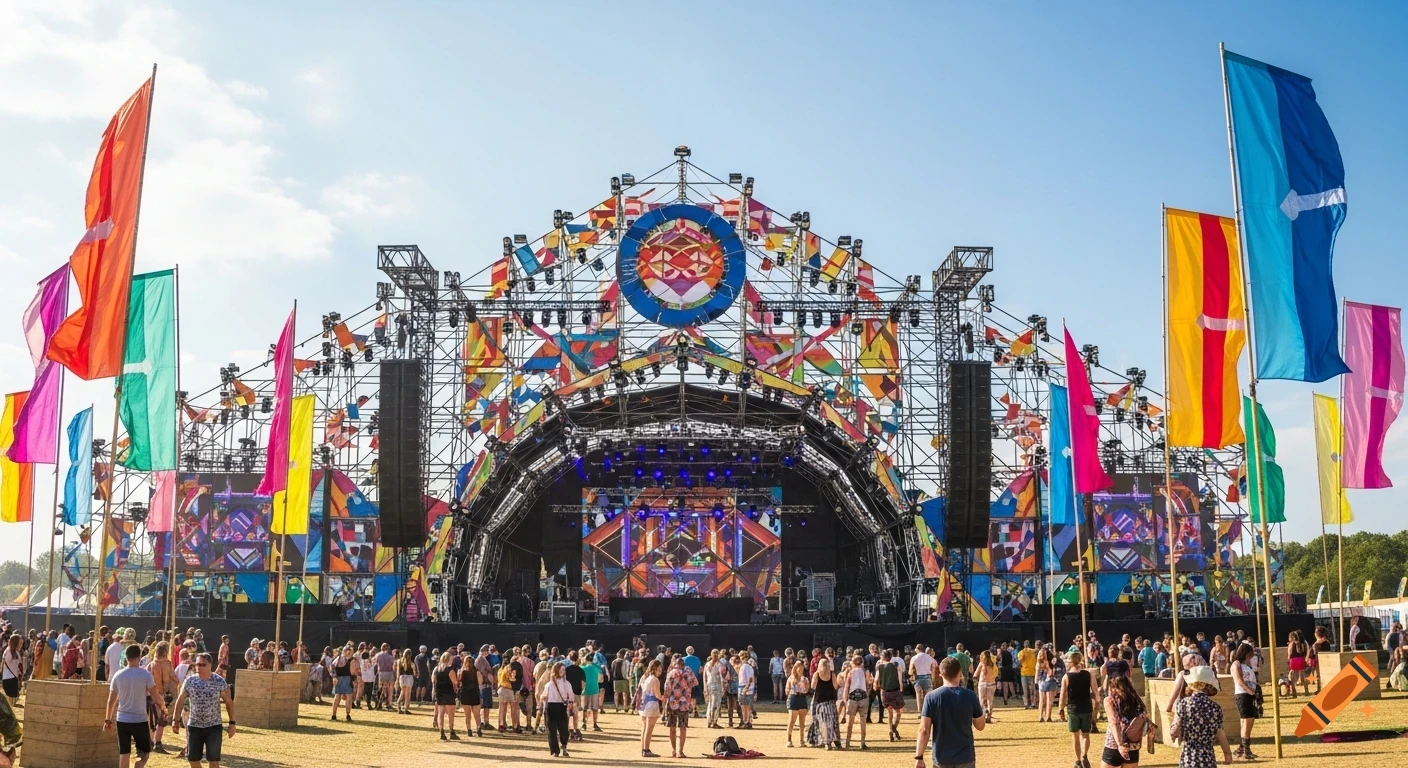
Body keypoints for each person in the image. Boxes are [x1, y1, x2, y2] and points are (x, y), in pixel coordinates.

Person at [914, 657, 985, 768]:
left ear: (940, 674)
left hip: (942, 758)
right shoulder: (970, 696)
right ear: (960, 673)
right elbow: (980, 726)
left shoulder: (931, 697)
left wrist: (919, 757)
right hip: (965, 757)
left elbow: (924, 730)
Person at [105, 644, 168, 768]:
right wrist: (163, 707)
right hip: (139, 719)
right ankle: (139, 764)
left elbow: (111, 701)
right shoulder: (145, 675)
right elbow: (155, 695)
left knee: (124, 752)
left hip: (122, 719)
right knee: (145, 752)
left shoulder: (118, 675)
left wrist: (107, 720)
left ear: (126, 657)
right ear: (139, 657)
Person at [169, 653, 235, 768]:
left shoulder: (219, 681)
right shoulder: (190, 680)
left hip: (213, 727)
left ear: (210, 665)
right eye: (197, 664)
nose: (199, 667)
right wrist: (175, 719)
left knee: (213, 762)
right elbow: (180, 700)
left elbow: (229, 703)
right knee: (193, 760)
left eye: (203, 665)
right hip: (194, 726)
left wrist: (232, 723)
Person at [1170, 666, 1233, 768]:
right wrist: (1227, 753)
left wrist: (1174, 733)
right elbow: (1220, 733)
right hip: (1207, 757)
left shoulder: (1183, 704)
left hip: (1188, 756)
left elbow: (1175, 729)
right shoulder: (1215, 708)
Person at [1059, 651, 1098, 768]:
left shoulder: (1066, 677)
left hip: (1073, 709)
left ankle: (1077, 761)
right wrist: (1096, 706)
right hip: (1086, 707)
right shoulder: (1088, 674)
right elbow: (1096, 692)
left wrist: (1061, 709)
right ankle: (1085, 756)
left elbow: (1063, 695)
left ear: (1071, 662)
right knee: (1085, 735)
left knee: (1075, 736)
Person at [1101, 675, 1149, 768]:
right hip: (1133, 743)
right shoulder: (1137, 700)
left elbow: (1114, 722)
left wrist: (1119, 745)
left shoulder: (1110, 700)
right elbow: (1144, 718)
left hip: (1114, 743)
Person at [663, 654, 697, 758]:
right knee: (683, 728)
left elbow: (667, 688)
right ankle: (681, 751)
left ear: (675, 664)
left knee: (672, 727)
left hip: (673, 703)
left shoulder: (671, 673)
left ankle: (673, 750)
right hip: (684, 703)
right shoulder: (689, 672)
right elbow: (695, 683)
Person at [1229, 643, 1260, 760]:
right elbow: (1239, 680)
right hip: (1243, 694)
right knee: (1247, 721)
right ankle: (1246, 750)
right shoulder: (1236, 664)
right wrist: (1250, 691)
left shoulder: (1246, 664)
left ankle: (1242, 748)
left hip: (1248, 694)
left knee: (1248, 721)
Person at [540, 661, 575, 758]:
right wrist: (543, 697)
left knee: (563, 729)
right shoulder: (549, 684)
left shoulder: (566, 683)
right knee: (551, 731)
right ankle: (555, 750)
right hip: (550, 707)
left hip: (561, 707)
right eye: (561, 669)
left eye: (564, 670)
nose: (563, 671)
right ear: (556, 670)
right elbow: (543, 695)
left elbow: (571, 696)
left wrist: (570, 704)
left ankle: (564, 746)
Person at [149, 641, 178, 754]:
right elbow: (174, 678)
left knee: (152, 720)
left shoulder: (150, 664)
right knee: (161, 721)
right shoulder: (167, 664)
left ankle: (151, 742)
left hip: (151, 695)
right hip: (163, 696)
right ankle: (157, 743)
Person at [807, 657, 841, 750]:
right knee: (833, 722)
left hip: (820, 702)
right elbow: (835, 686)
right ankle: (837, 742)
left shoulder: (816, 674)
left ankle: (827, 743)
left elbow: (813, 687)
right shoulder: (832, 674)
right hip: (831, 701)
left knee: (824, 723)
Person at [840, 652, 872, 749]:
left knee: (850, 721)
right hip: (863, 696)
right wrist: (867, 694)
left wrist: (845, 700)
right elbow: (868, 684)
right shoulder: (865, 672)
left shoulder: (850, 672)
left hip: (852, 697)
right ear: (862, 663)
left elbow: (847, 686)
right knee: (863, 721)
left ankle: (847, 742)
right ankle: (862, 742)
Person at [876, 648, 905, 741]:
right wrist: (901, 689)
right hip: (895, 691)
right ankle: (893, 728)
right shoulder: (896, 665)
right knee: (898, 713)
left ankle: (890, 730)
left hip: (885, 692)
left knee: (889, 713)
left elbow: (876, 679)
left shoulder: (879, 667)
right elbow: (900, 680)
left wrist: (875, 686)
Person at [638, 659, 664, 758]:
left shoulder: (646, 678)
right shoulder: (655, 679)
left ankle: (643, 748)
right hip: (652, 705)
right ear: (656, 668)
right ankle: (646, 749)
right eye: (660, 668)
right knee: (649, 729)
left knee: (644, 728)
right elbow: (658, 695)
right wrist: (664, 697)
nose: (661, 670)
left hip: (644, 704)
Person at [431, 652, 459, 740]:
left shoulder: (436, 669)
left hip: (439, 692)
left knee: (441, 713)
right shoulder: (450, 670)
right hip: (449, 693)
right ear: (448, 659)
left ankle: (442, 732)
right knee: (451, 714)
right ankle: (451, 731)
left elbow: (433, 681)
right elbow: (455, 683)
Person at [785, 658, 811, 748]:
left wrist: (805, 686)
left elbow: (807, 690)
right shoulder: (791, 678)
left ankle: (802, 740)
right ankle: (789, 739)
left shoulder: (805, 679)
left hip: (802, 698)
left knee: (802, 722)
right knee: (792, 721)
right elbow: (787, 691)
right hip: (794, 698)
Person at [579, 649, 603, 733]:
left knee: (584, 708)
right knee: (595, 708)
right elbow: (601, 680)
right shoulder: (597, 668)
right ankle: (595, 724)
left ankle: (584, 723)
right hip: (595, 689)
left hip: (585, 690)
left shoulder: (582, 668)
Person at [330, 645, 355, 722]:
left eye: (350, 651)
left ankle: (348, 715)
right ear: (345, 651)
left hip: (347, 679)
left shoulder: (352, 660)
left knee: (349, 697)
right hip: (339, 679)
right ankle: (333, 715)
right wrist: (334, 677)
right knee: (337, 697)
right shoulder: (340, 658)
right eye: (348, 650)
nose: (349, 652)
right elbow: (332, 667)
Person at [1285, 630, 1310, 698]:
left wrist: (1288, 660)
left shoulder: (1292, 644)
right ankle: (1306, 691)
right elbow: (1307, 651)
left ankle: (1294, 692)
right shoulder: (1304, 643)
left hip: (1293, 660)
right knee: (1303, 675)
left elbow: (1289, 653)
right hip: (1301, 659)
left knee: (1292, 676)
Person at [1037, 647, 1059, 723]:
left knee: (1041, 701)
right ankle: (1048, 717)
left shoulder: (1038, 663)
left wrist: (1036, 681)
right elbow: (1051, 673)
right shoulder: (1050, 662)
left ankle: (1040, 716)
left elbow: (1037, 674)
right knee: (1049, 700)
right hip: (1050, 680)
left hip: (1041, 682)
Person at [974, 650, 998, 723]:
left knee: (982, 701)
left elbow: (975, 674)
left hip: (982, 684)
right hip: (992, 684)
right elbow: (996, 674)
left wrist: (976, 681)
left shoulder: (981, 664)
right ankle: (989, 716)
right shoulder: (993, 664)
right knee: (990, 701)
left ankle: (985, 712)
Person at [736, 649, 756, 729]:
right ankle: (748, 721)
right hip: (748, 689)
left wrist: (745, 688)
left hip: (744, 688)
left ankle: (745, 722)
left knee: (744, 707)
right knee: (748, 707)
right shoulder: (749, 667)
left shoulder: (744, 667)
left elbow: (749, 679)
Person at [1019, 640, 1038, 709]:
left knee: (1026, 690)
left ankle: (1028, 704)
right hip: (1030, 672)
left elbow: (1020, 662)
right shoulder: (1033, 652)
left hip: (1026, 673)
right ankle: (1031, 703)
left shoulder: (1021, 652)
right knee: (1031, 690)